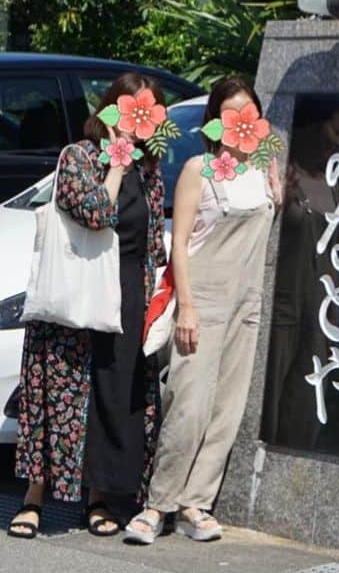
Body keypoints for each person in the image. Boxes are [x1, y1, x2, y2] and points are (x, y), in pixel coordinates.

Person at [8, 72, 168, 540]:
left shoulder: (151, 171)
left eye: (147, 113)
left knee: (108, 403)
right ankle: (34, 499)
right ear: (108, 110)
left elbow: (152, 242)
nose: (136, 122)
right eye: (128, 109)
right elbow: (98, 214)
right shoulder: (77, 157)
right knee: (57, 400)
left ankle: (96, 498)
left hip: (125, 300)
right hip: (76, 297)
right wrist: (116, 164)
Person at [125, 76, 281, 545]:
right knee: (188, 405)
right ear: (216, 123)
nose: (243, 124)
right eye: (233, 116)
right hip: (204, 298)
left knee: (226, 408)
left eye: (250, 115)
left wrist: (277, 179)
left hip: (246, 302)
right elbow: (180, 245)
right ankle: (158, 504)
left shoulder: (264, 169)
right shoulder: (201, 169)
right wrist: (187, 307)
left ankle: (197, 503)